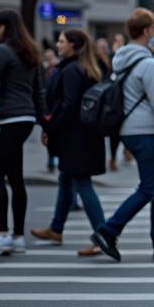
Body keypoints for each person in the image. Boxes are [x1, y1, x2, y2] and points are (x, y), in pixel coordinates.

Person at [89, 7, 154, 262]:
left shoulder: (121, 57)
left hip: (129, 129)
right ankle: (108, 230)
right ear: (147, 30)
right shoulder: (148, 63)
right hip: (144, 130)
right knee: (148, 189)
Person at [0, 7, 46, 257]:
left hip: (12, 118)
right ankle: (17, 237)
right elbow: (38, 92)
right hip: (26, 118)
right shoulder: (30, 51)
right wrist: (45, 124)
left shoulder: (2, 51)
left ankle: (1, 234)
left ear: (4, 27)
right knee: (15, 178)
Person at [32, 27, 111, 245]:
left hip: (76, 138)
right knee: (66, 179)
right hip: (83, 136)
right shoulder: (82, 67)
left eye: (61, 41)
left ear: (73, 45)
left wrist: (49, 127)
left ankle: (102, 236)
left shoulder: (71, 70)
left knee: (82, 183)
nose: (57, 45)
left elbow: (67, 105)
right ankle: (56, 229)